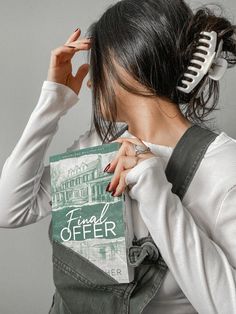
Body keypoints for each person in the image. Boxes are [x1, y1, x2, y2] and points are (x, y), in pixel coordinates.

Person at [0, 0, 236, 313]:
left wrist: (155, 193)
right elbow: (11, 210)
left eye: (98, 66)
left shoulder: (223, 167)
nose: (90, 81)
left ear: (127, 64)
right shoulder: (99, 144)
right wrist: (52, 102)